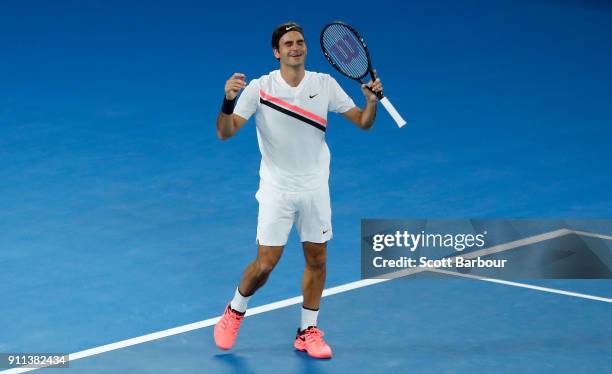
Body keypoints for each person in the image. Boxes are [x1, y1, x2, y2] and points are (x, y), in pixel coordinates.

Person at [213, 21, 382, 359]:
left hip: (315, 188)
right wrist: (228, 100)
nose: (296, 47)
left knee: (317, 259)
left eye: (300, 42)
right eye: (288, 43)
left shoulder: (325, 84)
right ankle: (235, 308)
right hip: (277, 189)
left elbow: (363, 123)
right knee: (265, 265)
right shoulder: (260, 88)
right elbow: (225, 132)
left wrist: (371, 102)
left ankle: (307, 330)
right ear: (277, 52)